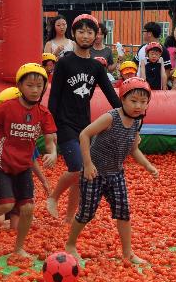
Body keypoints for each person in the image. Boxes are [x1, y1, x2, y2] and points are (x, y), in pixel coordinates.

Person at [64, 77, 158, 264]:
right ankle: (70, 244)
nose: (138, 106)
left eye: (143, 102)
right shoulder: (111, 117)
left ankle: (128, 253)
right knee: (86, 213)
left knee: (124, 213)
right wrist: (88, 164)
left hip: (116, 174)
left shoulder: (137, 123)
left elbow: (133, 149)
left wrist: (147, 165)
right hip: (94, 174)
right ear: (122, 99)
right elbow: (84, 134)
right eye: (133, 101)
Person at [0, 63, 57, 256]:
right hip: (3, 164)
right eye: (30, 85)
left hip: (24, 166)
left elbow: (51, 140)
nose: (35, 90)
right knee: (7, 204)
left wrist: (52, 153)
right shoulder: (8, 107)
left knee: (28, 208)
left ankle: (18, 248)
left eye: (39, 86)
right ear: (19, 86)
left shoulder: (43, 113)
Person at [47, 15, 122, 223]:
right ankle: (53, 197)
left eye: (90, 32)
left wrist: (129, 114)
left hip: (84, 126)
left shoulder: (97, 67)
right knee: (78, 167)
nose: (86, 36)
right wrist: (50, 128)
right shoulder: (64, 63)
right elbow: (54, 97)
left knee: (80, 176)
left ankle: (70, 217)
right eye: (81, 31)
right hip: (64, 123)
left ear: (96, 35)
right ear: (74, 34)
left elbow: (111, 95)